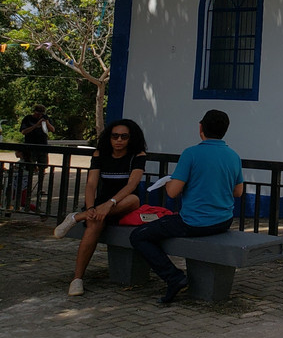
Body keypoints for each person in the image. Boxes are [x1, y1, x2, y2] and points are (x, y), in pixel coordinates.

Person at [130, 109, 244, 305]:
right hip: (223, 221)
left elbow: (173, 192)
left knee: (139, 235)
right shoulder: (233, 156)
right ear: (225, 130)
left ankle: (173, 277)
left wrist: (168, 183)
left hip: (193, 222)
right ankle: (174, 277)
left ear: (201, 128)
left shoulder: (191, 153)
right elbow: (238, 192)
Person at [52, 119, 147, 296]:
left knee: (134, 199)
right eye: (115, 136)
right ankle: (77, 279)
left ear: (131, 138)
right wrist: (90, 208)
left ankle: (76, 217)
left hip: (122, 204)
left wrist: (110, 204)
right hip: (99, 206)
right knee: (94, 224)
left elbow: (131, 185)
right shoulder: (100, 154)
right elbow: (91, 185)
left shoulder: (138, 155)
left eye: (124, 136)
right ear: (109, 137)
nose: (119, 140)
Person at [17, 104, 56, 207]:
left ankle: (40, 188)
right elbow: (23, 131)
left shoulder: (46, 119)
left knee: (42, 168)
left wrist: (46, 122)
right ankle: (27, 188)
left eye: (41, 114)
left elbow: (53, 130)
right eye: (37, 113)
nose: (39, 116)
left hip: (43, 147)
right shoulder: (27, 119)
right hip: (30, 148)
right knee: (30, 168)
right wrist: (36, 125)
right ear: (34, 112)